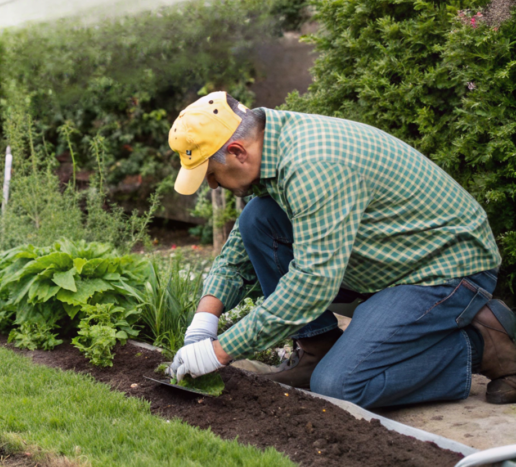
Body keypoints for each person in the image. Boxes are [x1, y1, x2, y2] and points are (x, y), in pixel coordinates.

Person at [165, 91, 515, 408]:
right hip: (389, 254)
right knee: (257, 218)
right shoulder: (270, 145)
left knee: (341, 385)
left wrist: (219, 352)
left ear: (237, 152)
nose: (212, 184)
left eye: (211, 173)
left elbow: (311, 285)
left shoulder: (312, 165)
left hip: (442, 268)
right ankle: (318, 350)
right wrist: (204, 322)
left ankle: (483, 344)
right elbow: (241, 248)